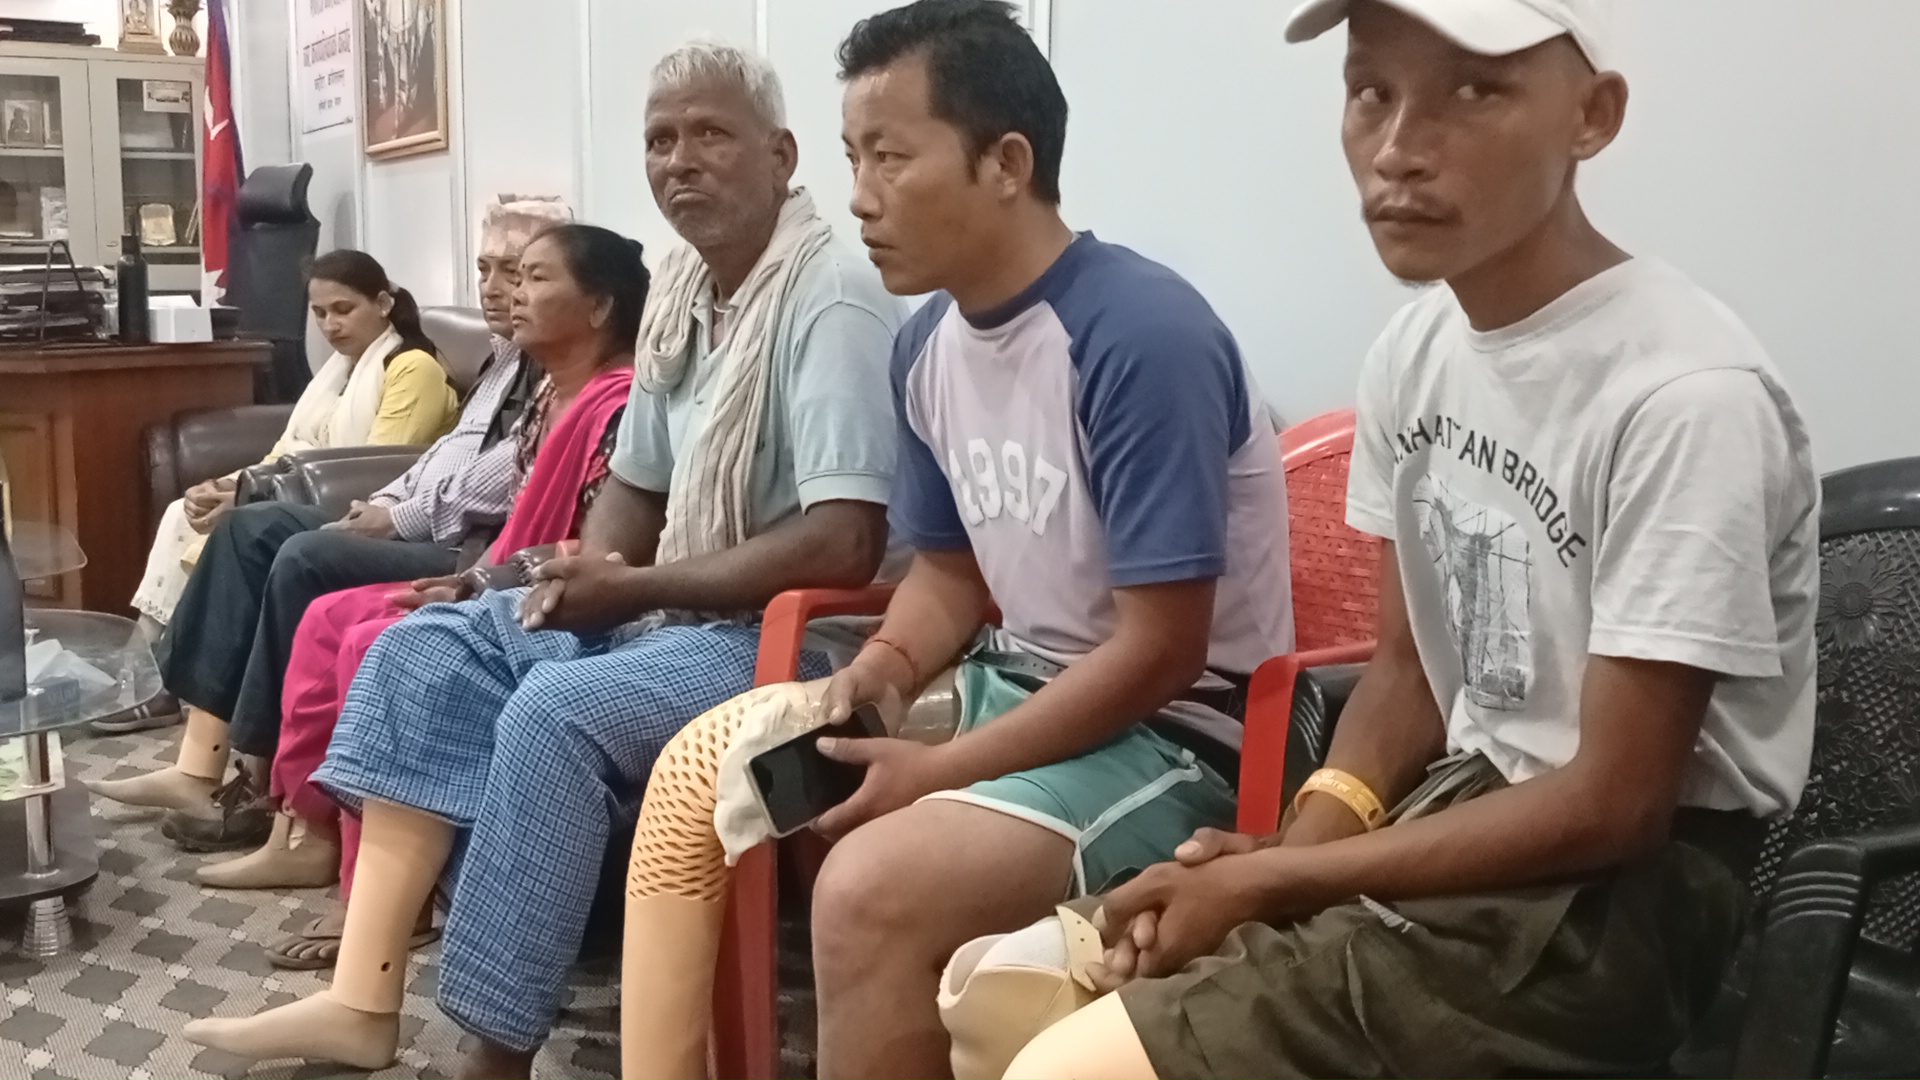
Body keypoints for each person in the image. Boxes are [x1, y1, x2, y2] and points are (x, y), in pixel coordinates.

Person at [986, 3, 1821, 1079]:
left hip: (1624, 902)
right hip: (1467, 806)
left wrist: (1273, 882)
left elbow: (1616, 803)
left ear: (1593, 115)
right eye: (1371, 92)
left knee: (1067, 1067)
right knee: (1006, 995)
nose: (1397, 150)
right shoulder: (1416, 351)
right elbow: (1409, 670)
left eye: (1475, 89)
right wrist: (1296, 851)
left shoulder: (1686, 396)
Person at [181, 40, 906, 1078]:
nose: (680, 160)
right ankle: (361, 998)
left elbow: (845, 540)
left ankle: (497, 1055)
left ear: (782, 154)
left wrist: (633, 587)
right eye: (660, 139)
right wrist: (580, 577)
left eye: (711, 133)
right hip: (679, 612)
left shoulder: (828, 295)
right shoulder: (686, 295)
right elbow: (638, 486)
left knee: (555, 713)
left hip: (800, 642)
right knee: (426, 648)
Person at [664, 5, 1299, 1079]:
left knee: (868, 889)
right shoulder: (926, 346)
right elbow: (950, 576)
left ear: (1006, 163)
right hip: (1022, 685)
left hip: (1183, 736)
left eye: (891, 157)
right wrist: (880, 669)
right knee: (745, 779)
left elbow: (1163, 652)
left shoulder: (1140, 335)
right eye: (852, 157)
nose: (859, 196)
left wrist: (941, 769)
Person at [213, 224, 644, 976]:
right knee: (326, 616)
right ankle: (308, 830)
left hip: (560, 597)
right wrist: (471, 577)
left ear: (600, 306)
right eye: (503, 274)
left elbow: (598, 546)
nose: (511, 294)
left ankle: (384, 895)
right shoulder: (543, 391)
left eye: (534, 278)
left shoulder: (620, 404)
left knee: (373, 636)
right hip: (496, 570)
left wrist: (478, 581)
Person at [92, 198, 562, 826]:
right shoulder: (503, 356)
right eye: (485, 269)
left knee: (303, 554)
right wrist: (386, 500)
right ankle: (198, 767)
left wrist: (397, 517)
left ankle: (261, 782)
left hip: (471, 548)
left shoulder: (557, 369)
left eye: (519, 272)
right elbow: (444, 454)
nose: (497, 288)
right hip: (413, 515)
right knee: (248, 529)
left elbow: (504, 477)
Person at [129, 250, 456, 633]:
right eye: (319, 313)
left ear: (383, 304)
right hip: (308, 492)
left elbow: (375, 472)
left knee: (231, 525)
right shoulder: (341, 369)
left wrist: (249, 499)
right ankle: (151, 648)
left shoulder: (413, 368)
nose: (330, 325)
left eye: (343, 310)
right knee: (181, 513)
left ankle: (157, 654)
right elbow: (288, 449)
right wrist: (230, 485)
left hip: (363, 510)